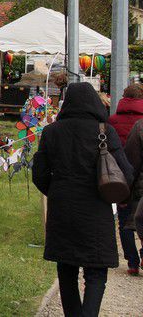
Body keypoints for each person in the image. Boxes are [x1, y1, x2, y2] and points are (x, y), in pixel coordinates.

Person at [33, 82, 134, 317]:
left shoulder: (51, 132)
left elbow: (39, 174)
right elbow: (126, 173)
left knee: (66, 268)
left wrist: (56, 191)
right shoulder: (104, 131)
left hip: (62, 209)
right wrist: (114, 195)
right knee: (96, 272)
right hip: (96, 209)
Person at [109, 83, 143, 275]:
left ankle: (132, 262)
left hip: (121, 174)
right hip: (140, 178)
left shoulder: (112, 120)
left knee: (125, 221)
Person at [124, 118, 143, 270]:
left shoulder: (140, 126)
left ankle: (134, 261)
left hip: (140, 186)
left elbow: (132, 162)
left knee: (139, 218)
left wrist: (126, 191)